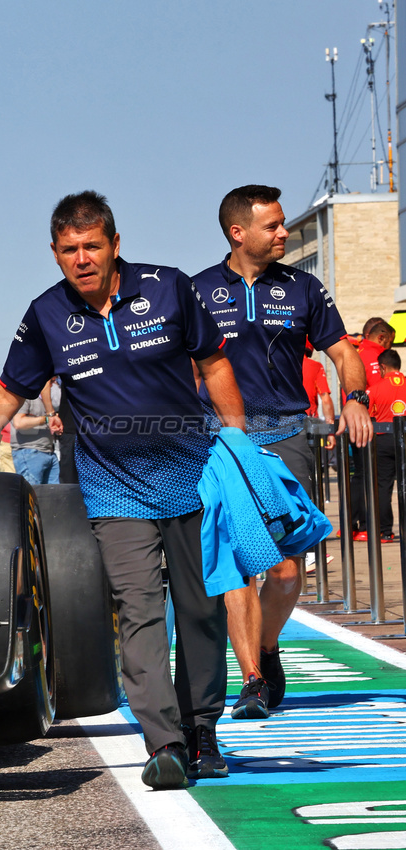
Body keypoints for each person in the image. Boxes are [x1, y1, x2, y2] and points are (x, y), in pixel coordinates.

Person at [0, 191, 245, 788]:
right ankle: (165, 743)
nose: (82, 258)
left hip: (193, 477)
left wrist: (239, 440)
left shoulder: (170, 287)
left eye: (92, 245)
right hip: (114, 492)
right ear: (55, 253)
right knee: (139, 612)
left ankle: (203, 729)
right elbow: (7, 395)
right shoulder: (46, 315)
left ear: (115, 245)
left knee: (200, 613)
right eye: (69, 249)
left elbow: (215, 363)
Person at [191, 185, 373, 720]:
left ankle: (268, 649)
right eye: (273, 225)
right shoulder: (197, 290)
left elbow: (342, 352)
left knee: (288, 571)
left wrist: (357, 400)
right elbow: (179, 365)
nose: (284, 233)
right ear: (238, 232)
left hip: (287, 431)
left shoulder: (304, 288)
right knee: (238, 562)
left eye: (283, 224)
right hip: (220, 439)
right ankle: (250, 679)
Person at [369, 348, 406, 541]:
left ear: (383, 367)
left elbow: (367, 416)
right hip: (404, 437)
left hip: (383, 438)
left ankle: (385, 531)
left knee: (383, 486)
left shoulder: (374, 389)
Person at [11, 379, 60, 485]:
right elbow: (19, 423)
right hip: (29, 453)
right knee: (32, 495)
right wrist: (47, 419)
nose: (53, 386)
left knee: (53, 497)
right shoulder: (26, 397)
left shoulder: (48, 403)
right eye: (51, 382)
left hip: (49, 452)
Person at [359, 319, 394, 388]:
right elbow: (380, 389)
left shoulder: (360, 351)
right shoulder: (373, 357)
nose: (391, 347)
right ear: (381, 338)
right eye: (390, 342)